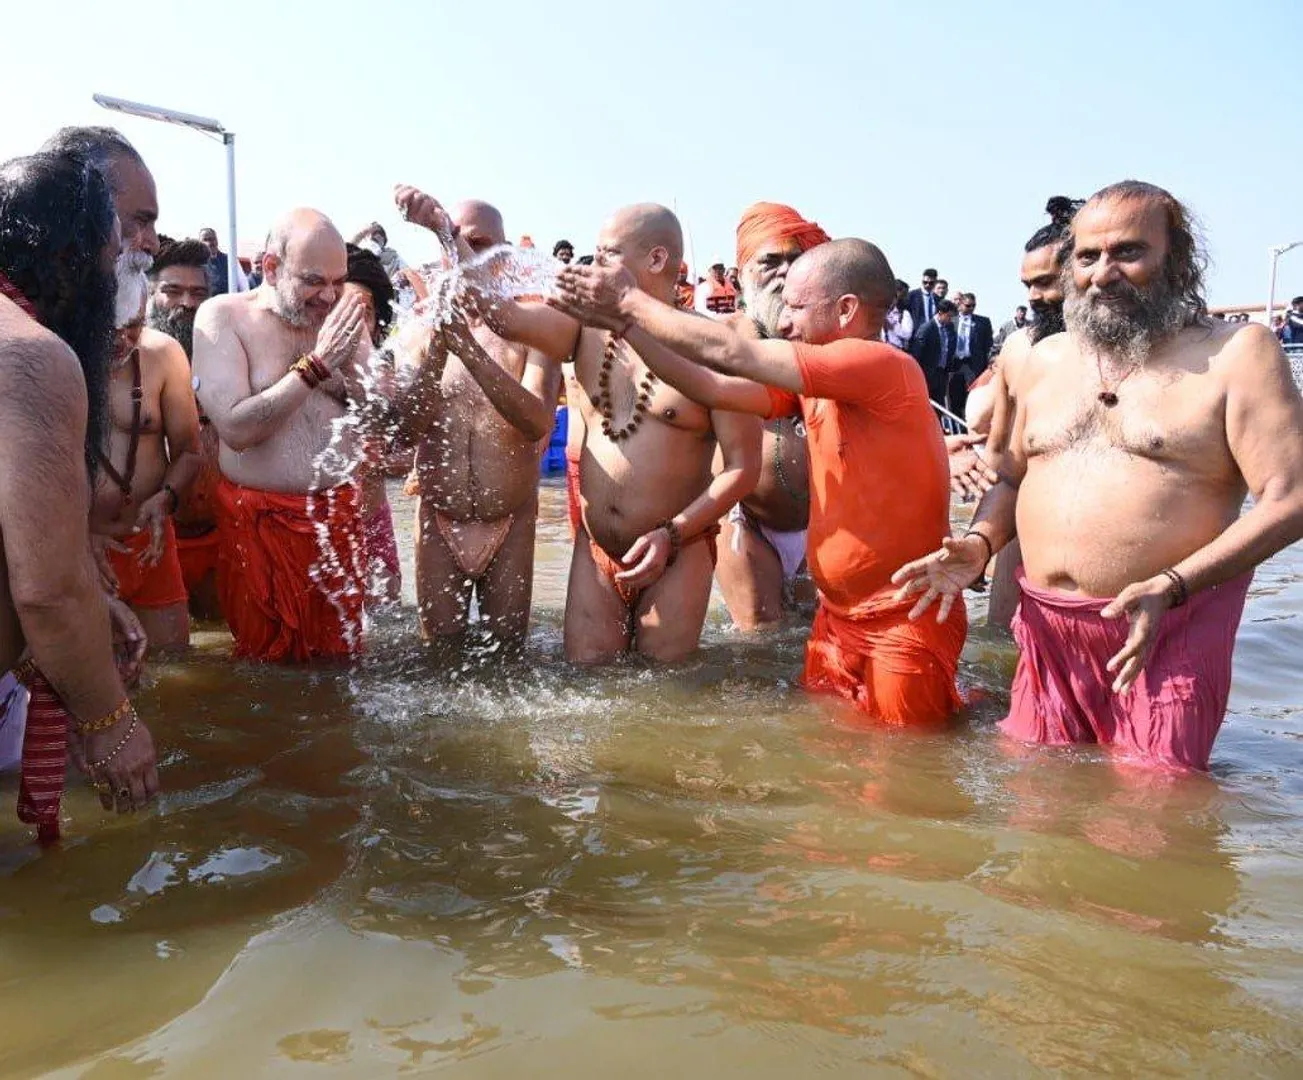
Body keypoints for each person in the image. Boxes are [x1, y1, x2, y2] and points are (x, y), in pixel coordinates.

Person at [895, 180, 1303, 770]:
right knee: (1036, 801)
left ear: (1177, 258)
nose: (1103, 274)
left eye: (1128, 252)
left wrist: (1173, 584)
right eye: (1087, 257)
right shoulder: (1043, 359)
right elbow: (1011, 478)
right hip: (1045, 631)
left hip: (1167, 629)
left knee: (1154, 808)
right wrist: (980, 543)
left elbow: (1290, 499)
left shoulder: (1238, 353)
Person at [551, 237, 966, 726]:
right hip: (837, 618)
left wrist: (627, 300)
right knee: (829, 748)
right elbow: (710, 386)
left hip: (902, 618)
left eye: (797, 308)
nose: (785, 322)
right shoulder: (816, 385)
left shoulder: (881, 364)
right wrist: (628, 328)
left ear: (846, 310)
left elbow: (733, 353)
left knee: (902, 760)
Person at [410, 190, 761, 663]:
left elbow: (743, 468)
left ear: (656, 259)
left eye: (606, 255)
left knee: (666, 690)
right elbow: (501, 315)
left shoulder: (714, 346)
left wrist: (673, 534)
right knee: (584, 680)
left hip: (678, 551)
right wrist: (446, 234)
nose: (592, 268)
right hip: (596, 551)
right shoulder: (584, 328)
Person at [0, 151, 158, 838]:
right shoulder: (30, 355)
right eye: (111, 257)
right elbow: (47, 591)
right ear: (71, 258)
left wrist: (92, 605)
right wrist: (110, 721)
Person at [193, 209, 373, 663]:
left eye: (338, 281)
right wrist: (316, 367)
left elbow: (382, 411)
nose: (329, 296)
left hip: (337, 520)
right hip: (259, 524)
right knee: (264, 669)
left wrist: (345, 375)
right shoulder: (223, 317)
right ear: (271, 268)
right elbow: (235, 429)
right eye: (313, 281)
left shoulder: (341, 317)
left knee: (342, 665)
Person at [389, 194, 561, 656]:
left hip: (511, 519)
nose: (465, 254)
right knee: (438, 659)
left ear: (505, 256)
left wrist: (468, 350)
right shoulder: (418, 329)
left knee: (509, 660)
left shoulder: (532, 328)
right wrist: (439, 351)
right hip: (438, 517)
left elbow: (537, 422)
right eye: (454, 243)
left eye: (480, 245)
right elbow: (404, 433)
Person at [716, 201, 829, 630]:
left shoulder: (832, 342)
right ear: (739, 276)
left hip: (824, 521)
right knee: (761, 641)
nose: (784, 272)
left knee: (819, 635)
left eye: (796, 260)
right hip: (744, 519)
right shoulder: (718, 343)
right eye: (770, 262)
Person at [976, 196, 1082, 627]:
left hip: (1101, 549)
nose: (1035, 297)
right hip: (1022, 530)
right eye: (1027, 286)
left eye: (1046, 283)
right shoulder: (1019, 348)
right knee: (1002, 646)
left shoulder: (1131, 353)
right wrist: (979, 541)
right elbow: (1000, 459)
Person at [92, 262, 201, 654]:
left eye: (133, 326)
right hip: (79, 549)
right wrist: (74, 536)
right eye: (109, 327)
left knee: (175, 668)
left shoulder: (164, 354)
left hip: (149, 545)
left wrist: (165, 498)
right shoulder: (53, 356)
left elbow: (190, 451)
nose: (121, 340)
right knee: (91, 679)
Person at [146, 239, 225, 619]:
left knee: (222, 642)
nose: (187, 303)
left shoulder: (228, 358)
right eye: (173, 291)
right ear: (149, 293)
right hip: (154, 536)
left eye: (198, 293)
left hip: (219, 534)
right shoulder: (129, 360)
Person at [342, 244, 405, 608]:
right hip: (315, 526)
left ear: (378, 322)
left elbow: (412, 454)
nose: (350, 323)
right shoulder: (303, 368)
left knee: (384, 618)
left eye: (362, 313)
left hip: (373, 523)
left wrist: (381, 461)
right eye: (341, 310)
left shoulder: (387, 370)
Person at [947, 292, 993, 419]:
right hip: (955, 364)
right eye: (968, 306)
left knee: (972, 397)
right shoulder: (951, 320)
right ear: (960, 304)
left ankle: (971, 423)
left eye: (973, 306)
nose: (971, 308)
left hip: (973, 365)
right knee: (955, 397)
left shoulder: (983, 322)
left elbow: (988, 345)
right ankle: (958, 425)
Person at [911, 298, 957, 405]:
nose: (950, 319)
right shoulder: (927, 329)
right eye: (949, 316)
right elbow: (917, 353)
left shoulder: (948, 328)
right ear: (940, 313)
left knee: (939, 407)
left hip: (941, 375)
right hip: (927, 375)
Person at [198, 227, 246, 296]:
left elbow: (244, 288)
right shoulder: (196, 262)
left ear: (217, 241)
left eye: (213, 239)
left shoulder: (231, 261)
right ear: (199, 243)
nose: (210, 243)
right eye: (205, 240)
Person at [883, 279, 914, 350]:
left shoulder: (904, 313)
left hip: (896, 349)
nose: (905, 298)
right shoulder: (881, 311)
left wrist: (892, 326)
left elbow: (907, 335)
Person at [906, 268, 938, 337]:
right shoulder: (912, 295)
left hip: (932, 336)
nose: (927, 285)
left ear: (935, 282)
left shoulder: (937, 299)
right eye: (925, 282)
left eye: (931, 283)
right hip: (916, 335)